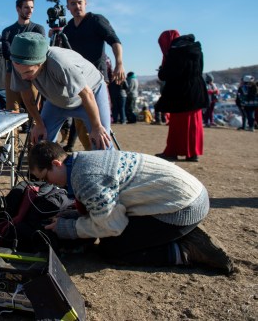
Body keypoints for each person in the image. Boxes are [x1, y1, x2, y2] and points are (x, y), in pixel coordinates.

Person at [29, 141, 234, 274]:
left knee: (114, 249)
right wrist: (75, 217)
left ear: (56, 163)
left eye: (46, 177)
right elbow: (104, 206)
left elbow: (112, 226)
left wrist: (66, 228)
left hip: (183, 209)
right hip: (185, 196)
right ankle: (177, 233)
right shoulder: (82, 161)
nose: (51, 184)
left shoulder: (86, 179)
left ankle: (187, 249)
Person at [10, 32, 113, 150]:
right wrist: (39, 124)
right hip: (56, 101)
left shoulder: (60, 63)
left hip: (91, 95)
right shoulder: (19, 63)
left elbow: (87, 94)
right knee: (42, 142)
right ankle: (53, 167)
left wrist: (96, 127)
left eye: (28, 72)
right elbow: (27, 96)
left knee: (101, 142)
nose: (23, 77)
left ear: (40, 63)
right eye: (20, 73)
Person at [60, 0, 125, 148]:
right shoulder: (67, 29)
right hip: (77, 81)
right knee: (81, 126)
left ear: (85, 3)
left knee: (99, 125)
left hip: (97, 80)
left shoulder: (96, 20)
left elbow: (114, 40)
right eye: (73, 4)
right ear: (67, 7)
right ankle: (92, 154)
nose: (77, 7)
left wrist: (119, 63)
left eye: (80, 3)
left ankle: (103, 157)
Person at [154, 30, 208, 162]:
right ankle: (193, 153)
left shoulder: (175, 51)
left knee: (178, 125)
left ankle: (173, 151)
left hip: (180, 92)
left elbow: (167, 74)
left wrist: (162, 69)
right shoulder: (196, 49)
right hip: (196, 89)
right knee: (194, 124)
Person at [1, 0, 46, 112]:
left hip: (33, 73)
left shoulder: (38, 29)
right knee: (11, 110)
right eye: (26, 7)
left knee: (34, 107)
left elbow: (42, 52)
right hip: (11, 72)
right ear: (18, 9)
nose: (30, 10)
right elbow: (6, 54)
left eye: (32, 7)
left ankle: (35, 128)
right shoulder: (7, 31)